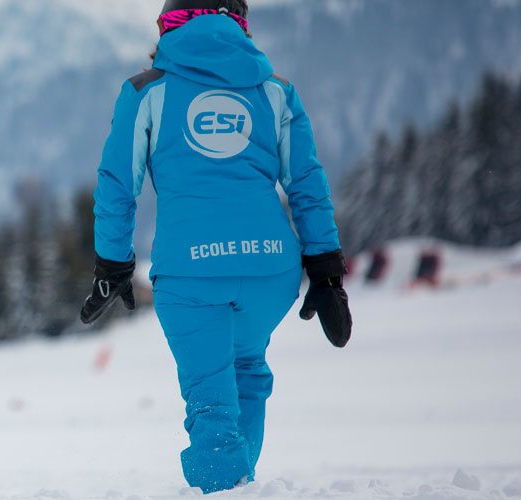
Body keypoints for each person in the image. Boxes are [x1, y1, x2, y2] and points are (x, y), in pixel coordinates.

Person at [80, 0, 353, 493]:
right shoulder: (277, 91)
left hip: (192, 273)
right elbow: (307, 184)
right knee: (247, 368)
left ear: (168, 25)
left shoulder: (146, 90)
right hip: (271, 271)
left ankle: (225, 489)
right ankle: (242, 485)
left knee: (211, 399)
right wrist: (327, 272)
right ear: (240, 24)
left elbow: (118, 185)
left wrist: (112, 265)